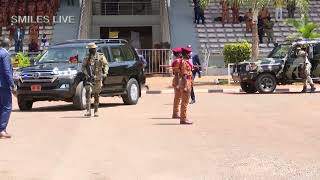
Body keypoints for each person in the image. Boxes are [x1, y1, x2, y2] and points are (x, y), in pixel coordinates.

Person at [82, 42, 109, 117]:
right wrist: (86, 74)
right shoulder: (87, 57)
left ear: (95, 49)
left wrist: (105, 73)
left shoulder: (100, 56)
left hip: (98, 78)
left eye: (92, 49)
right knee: (88, 93)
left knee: (96, 94)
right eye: (89, 49)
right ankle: (88, 111)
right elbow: (83, 67)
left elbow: (106, 64)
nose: (90, 50)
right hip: (89, 79)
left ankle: (96, 111)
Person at [0, 38, 14, 138]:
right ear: (9, 44)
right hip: (3, 85)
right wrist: (12, 84)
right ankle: (2, 130)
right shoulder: (5, 54)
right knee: (7, 106)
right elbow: (7, 70)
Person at [179, 48, 193, 125]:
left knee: (185, 102)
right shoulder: (184, 62)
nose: (190, 55)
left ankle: (184, 118)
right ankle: (183, 119)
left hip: (187, 81)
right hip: (185, 82)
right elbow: (184, 75)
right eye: (188, 53)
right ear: (185, 54)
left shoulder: (185, 62)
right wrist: (185, 86)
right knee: (184, 102)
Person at [171, 47, 182, 119]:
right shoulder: (177, 61)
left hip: (178, 79)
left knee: (178, 98)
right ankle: (175, 113)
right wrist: (178, 83)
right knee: (177, 98)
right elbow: (176, 73)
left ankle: (176, 113)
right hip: (178, 79)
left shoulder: (177, 61)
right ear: (179, 54)